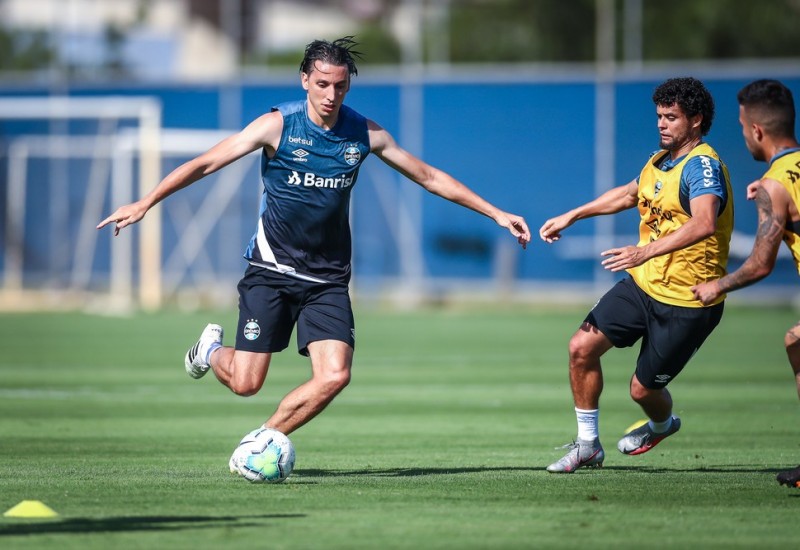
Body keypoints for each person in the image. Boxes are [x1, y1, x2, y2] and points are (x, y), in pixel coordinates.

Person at [97, 37, 530, 464]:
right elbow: (207, 162)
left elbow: (429, 176)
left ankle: (260, 443)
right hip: (270, 271)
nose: (331, 94)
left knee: (335, 375)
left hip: (327, 279)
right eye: (322, 83)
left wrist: (495, 213)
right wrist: (145, 201)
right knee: (247, 383)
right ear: (305, 79)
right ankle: (211, 350)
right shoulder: (277, 125)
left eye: (339, 86)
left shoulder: (364, 133)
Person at [539, 77, 733, 473]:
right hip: (642, 286)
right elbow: (630, 194)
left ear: (696, 120)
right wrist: (573, 214)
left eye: (672, 117)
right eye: (659, 116)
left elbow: (704, 223)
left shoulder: (702, 168)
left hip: (688, 301)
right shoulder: (659, 160)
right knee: (581, 347)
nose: (662, 124)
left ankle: (662, 423)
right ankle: (588, 445)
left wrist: (642, 250)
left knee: (642, 389)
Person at [691, 79, 800, 489]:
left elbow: (759, 265)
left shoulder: (776, 184)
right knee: (797, 342)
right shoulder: (774, 185)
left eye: (741, 127)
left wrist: (717, 286)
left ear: (756, 130)